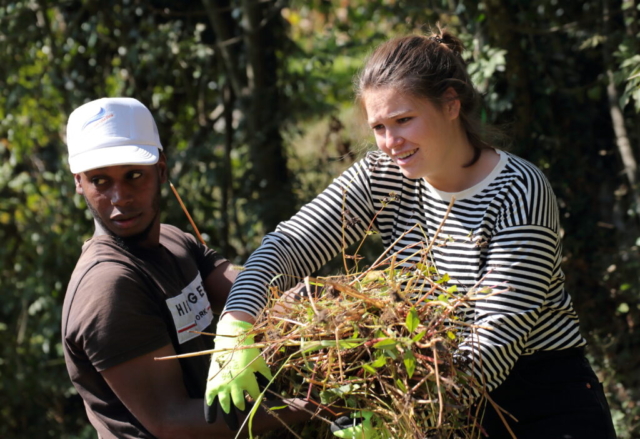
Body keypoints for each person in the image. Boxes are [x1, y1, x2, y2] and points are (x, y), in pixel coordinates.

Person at [205, 31, 618, 438]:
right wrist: (236, 322)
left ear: (451, 105)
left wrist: (402, 411)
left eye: (403, 120)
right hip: (444, 398)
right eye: (379, 127)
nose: (389, 143)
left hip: (543, 403)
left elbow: (497, 339)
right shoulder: (382, 176)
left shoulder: (519, 190)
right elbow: (290, 245)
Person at [61, 97, 313, 439]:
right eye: (100, 181)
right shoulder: (108, 287)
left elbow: (256, 295)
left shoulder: (174, 241)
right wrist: (315, 407)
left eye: (134, 175)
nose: (120, 197)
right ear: (79, 182)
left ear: (161, 169)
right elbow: (172, 420)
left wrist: (318, 299)